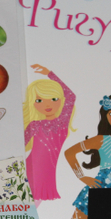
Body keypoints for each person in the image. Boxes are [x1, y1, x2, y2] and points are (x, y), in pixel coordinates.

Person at [23, 64, 77, 205]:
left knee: (33, 207)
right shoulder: (34, 124)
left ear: (60, 100)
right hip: (29, 168)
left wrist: (49, 73)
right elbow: (20, 146)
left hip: (46, 174)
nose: (47, 104)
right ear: (33, 103)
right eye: (39, 100)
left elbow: (71, 96)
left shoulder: (62, 122)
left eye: (53, 99)